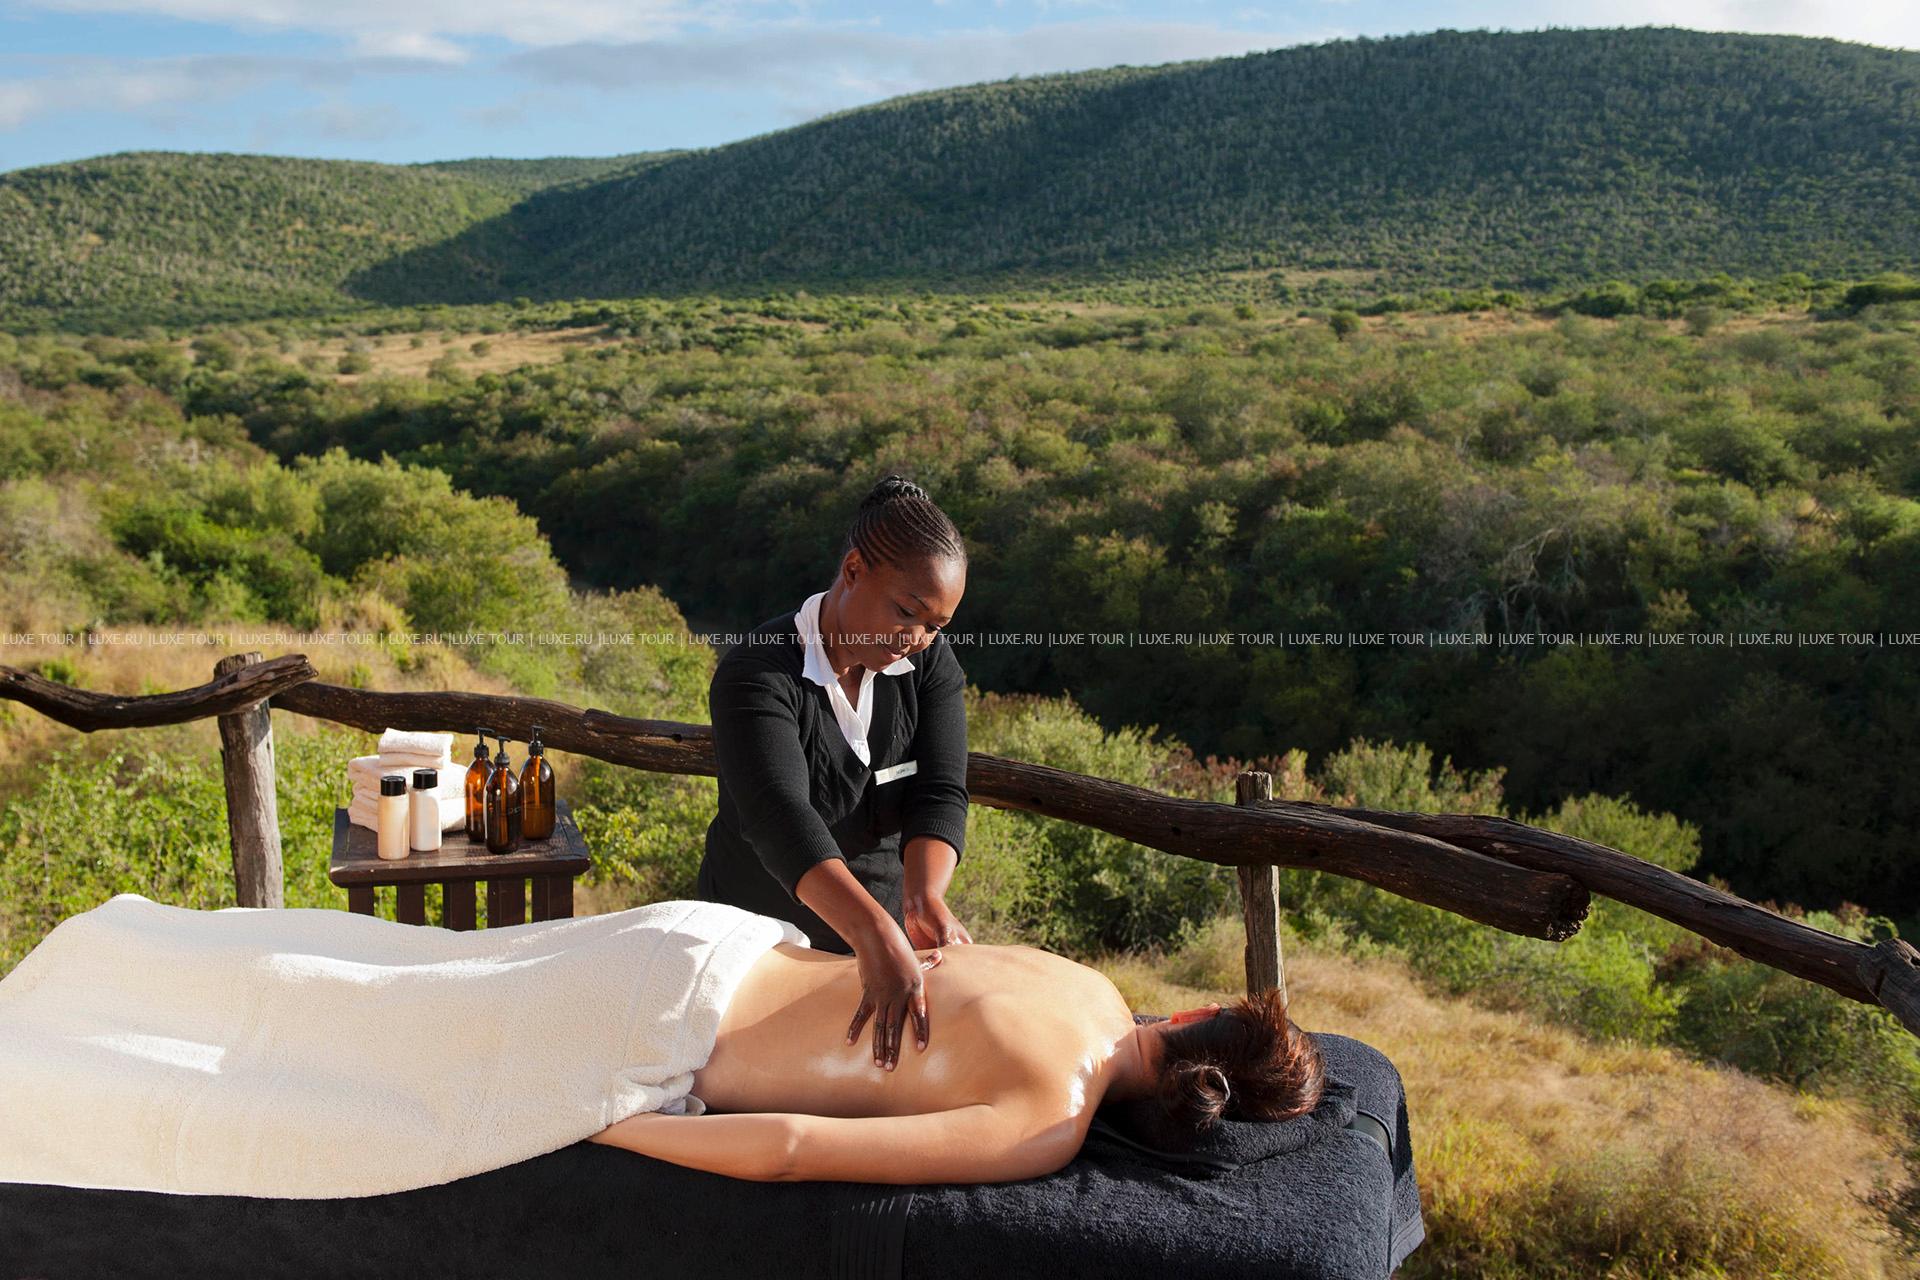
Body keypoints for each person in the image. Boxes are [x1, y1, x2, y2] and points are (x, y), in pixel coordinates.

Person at [589, 925, 1326, 1185]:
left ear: (1190, 1016)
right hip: (658, 1034)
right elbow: (788, 1148)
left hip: (710, 941)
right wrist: (606, 1125)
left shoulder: (1085, 981)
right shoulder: (1049, 1121)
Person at [697, 473, 973, 1073]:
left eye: (936, 625)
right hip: (759, 945)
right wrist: (873, 934)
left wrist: (923, 898)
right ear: (852, 571)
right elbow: (779, 818)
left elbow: (940, 792)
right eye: (907, 612)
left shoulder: (928, 665)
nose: (918, 638)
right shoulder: (757, 674)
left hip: (878, 937)